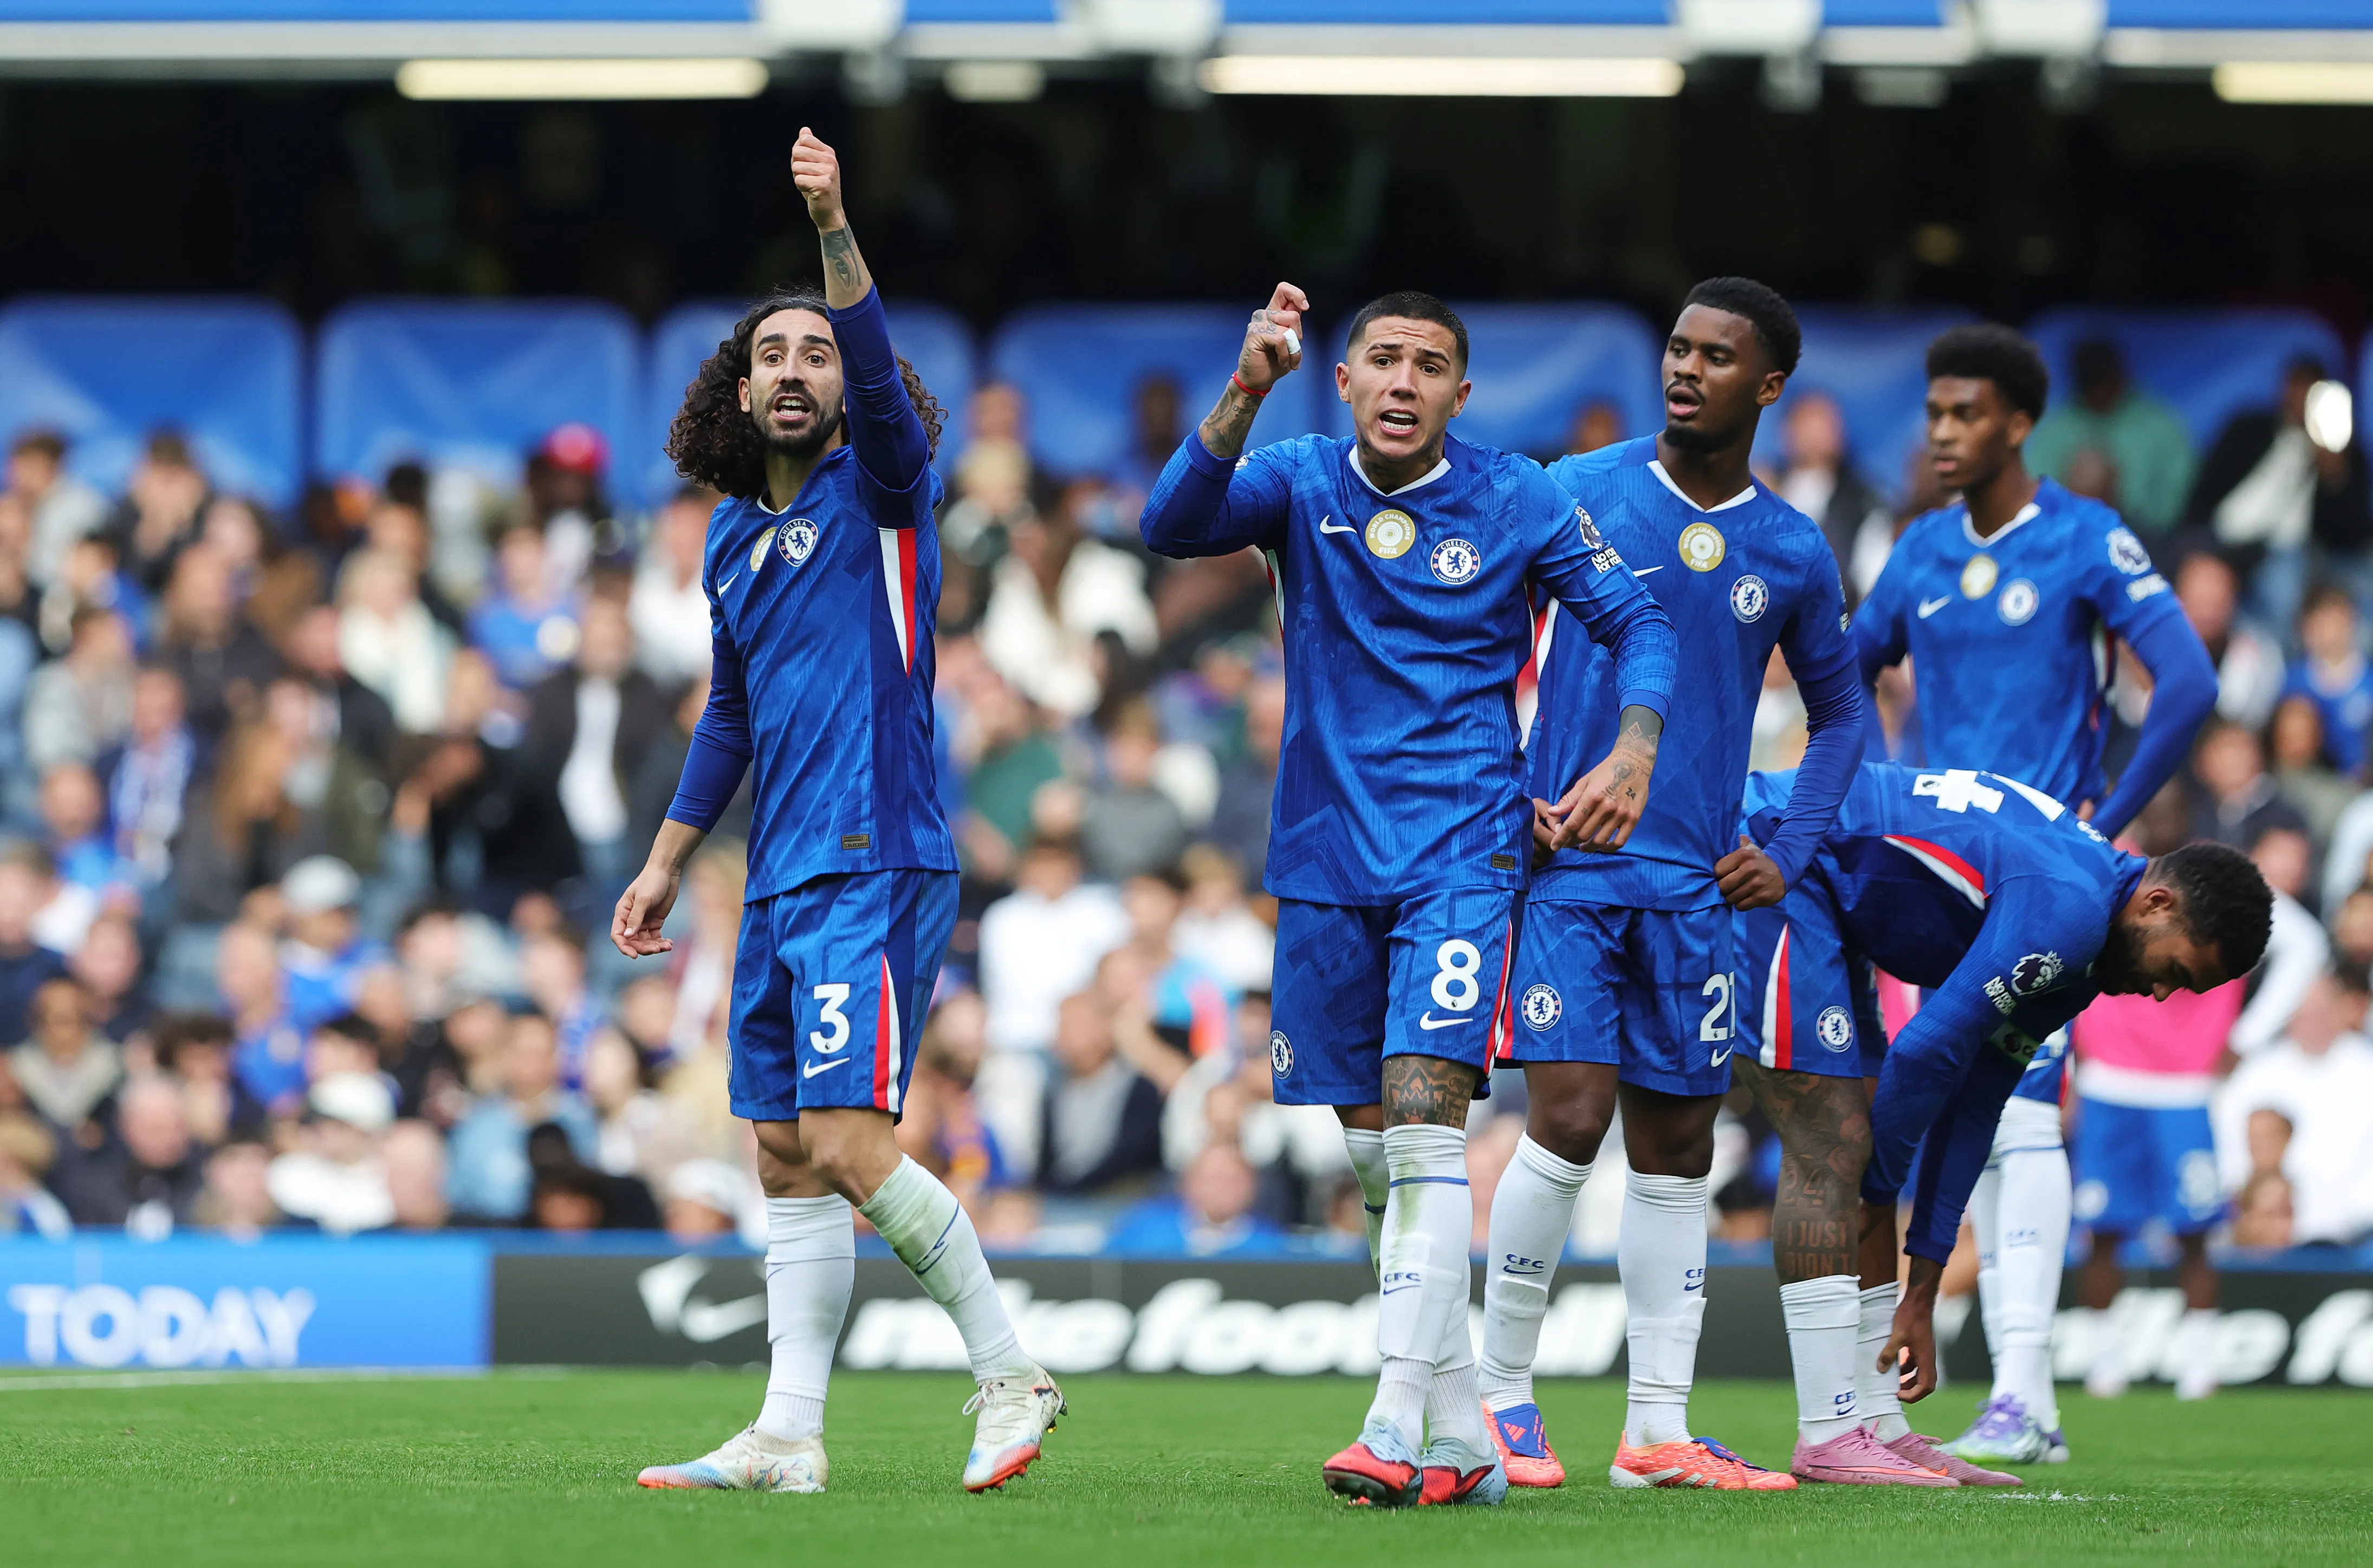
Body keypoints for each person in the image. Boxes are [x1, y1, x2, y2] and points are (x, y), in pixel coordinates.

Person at [1140, 284, 1677, 1508]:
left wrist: (1629, 749)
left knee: (1428, 1120)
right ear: (1343, 380)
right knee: (1377, 1159)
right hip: (1323, 855)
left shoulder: (1518, 495)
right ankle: (1465, 1435)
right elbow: (1171, 525)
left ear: (1459, 394)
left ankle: (1390, 1420)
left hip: (1460, 846)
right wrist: (1244, 384)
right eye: (1379, 359)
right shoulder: (1297, 475)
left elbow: (1636, 620)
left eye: (1427, 365)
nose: (1400, 381)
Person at [612, 130, 1060, 1498]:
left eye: (814, 352)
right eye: (771, 357)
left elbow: (874, 374)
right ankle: (788, 1435)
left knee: (856, 1143)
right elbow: (732, 717)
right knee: (786, 1153)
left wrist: (832, 233)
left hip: (878, 857)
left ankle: (1008, 1369)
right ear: (737, 392)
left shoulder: (889, 497)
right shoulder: (736, 541)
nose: (795, 370)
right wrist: (665, 858)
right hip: (783, 871)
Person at [1477, 278, 1865, 1492]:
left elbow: (1842, 715)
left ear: (1769, 387)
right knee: (1570, 1117)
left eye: (1716, 355)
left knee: (1679, 1144)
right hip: (1572, 874)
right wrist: (1508, 789)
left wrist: (1792, 846)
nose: (1686, 369)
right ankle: (1498, 1396)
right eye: (1677, 349)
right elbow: (1474, 639)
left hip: (1698, 888)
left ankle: (1656, 1428)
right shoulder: (1574, 489)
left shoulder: (1792, 546)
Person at [1849, 324, 2219, 1465]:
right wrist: (1875, 789)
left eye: (1965, 415)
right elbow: (1846, 666)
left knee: (2014, 1114)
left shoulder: (2085, 539)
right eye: (1935, 413)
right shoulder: (1916, 550)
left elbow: (2189, 681)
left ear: (2017, 422)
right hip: (1933, 882)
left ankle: (2028, 1392)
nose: (1943, 434)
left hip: (2043, 888)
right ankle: (1954, 1381)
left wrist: (2099, 826)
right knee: (1970, 1115)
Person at [1728, 762, 2270, 1475]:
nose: (2163, 994)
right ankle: (1829, 1431)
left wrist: (1923, 1277)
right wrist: (1882, 1196)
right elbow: (1923, 1054)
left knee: (1862, 1152)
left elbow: (1979, 1095)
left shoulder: (2090, 943)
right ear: (2159, 903)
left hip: (1833, 891)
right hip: (1780, 852)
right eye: (2178, 969)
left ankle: (1876, 1422)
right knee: (1837, 1145)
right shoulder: (2071, 913)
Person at [2184, 354, 2372, 636]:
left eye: (2311, 390)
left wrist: (2333, 471)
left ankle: (2279, 672)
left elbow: (2351, 535)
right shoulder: (2249, 427)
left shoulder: (2340, 450)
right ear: (2284, 389)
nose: (2300, 398)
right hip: (2223, 537)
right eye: (2296, 387)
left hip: (2287, 549)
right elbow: (2205, 487)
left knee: (2284, 591)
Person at [2026, 337, 2195, 535]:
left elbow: (2180, 495)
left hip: (2144, 534)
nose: (2101, 393)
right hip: (2066, 532)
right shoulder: (2057, 430)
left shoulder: (2158, 425)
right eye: (2093, 385)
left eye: (2106, 383)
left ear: (2121, 377)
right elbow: (2034, 493)